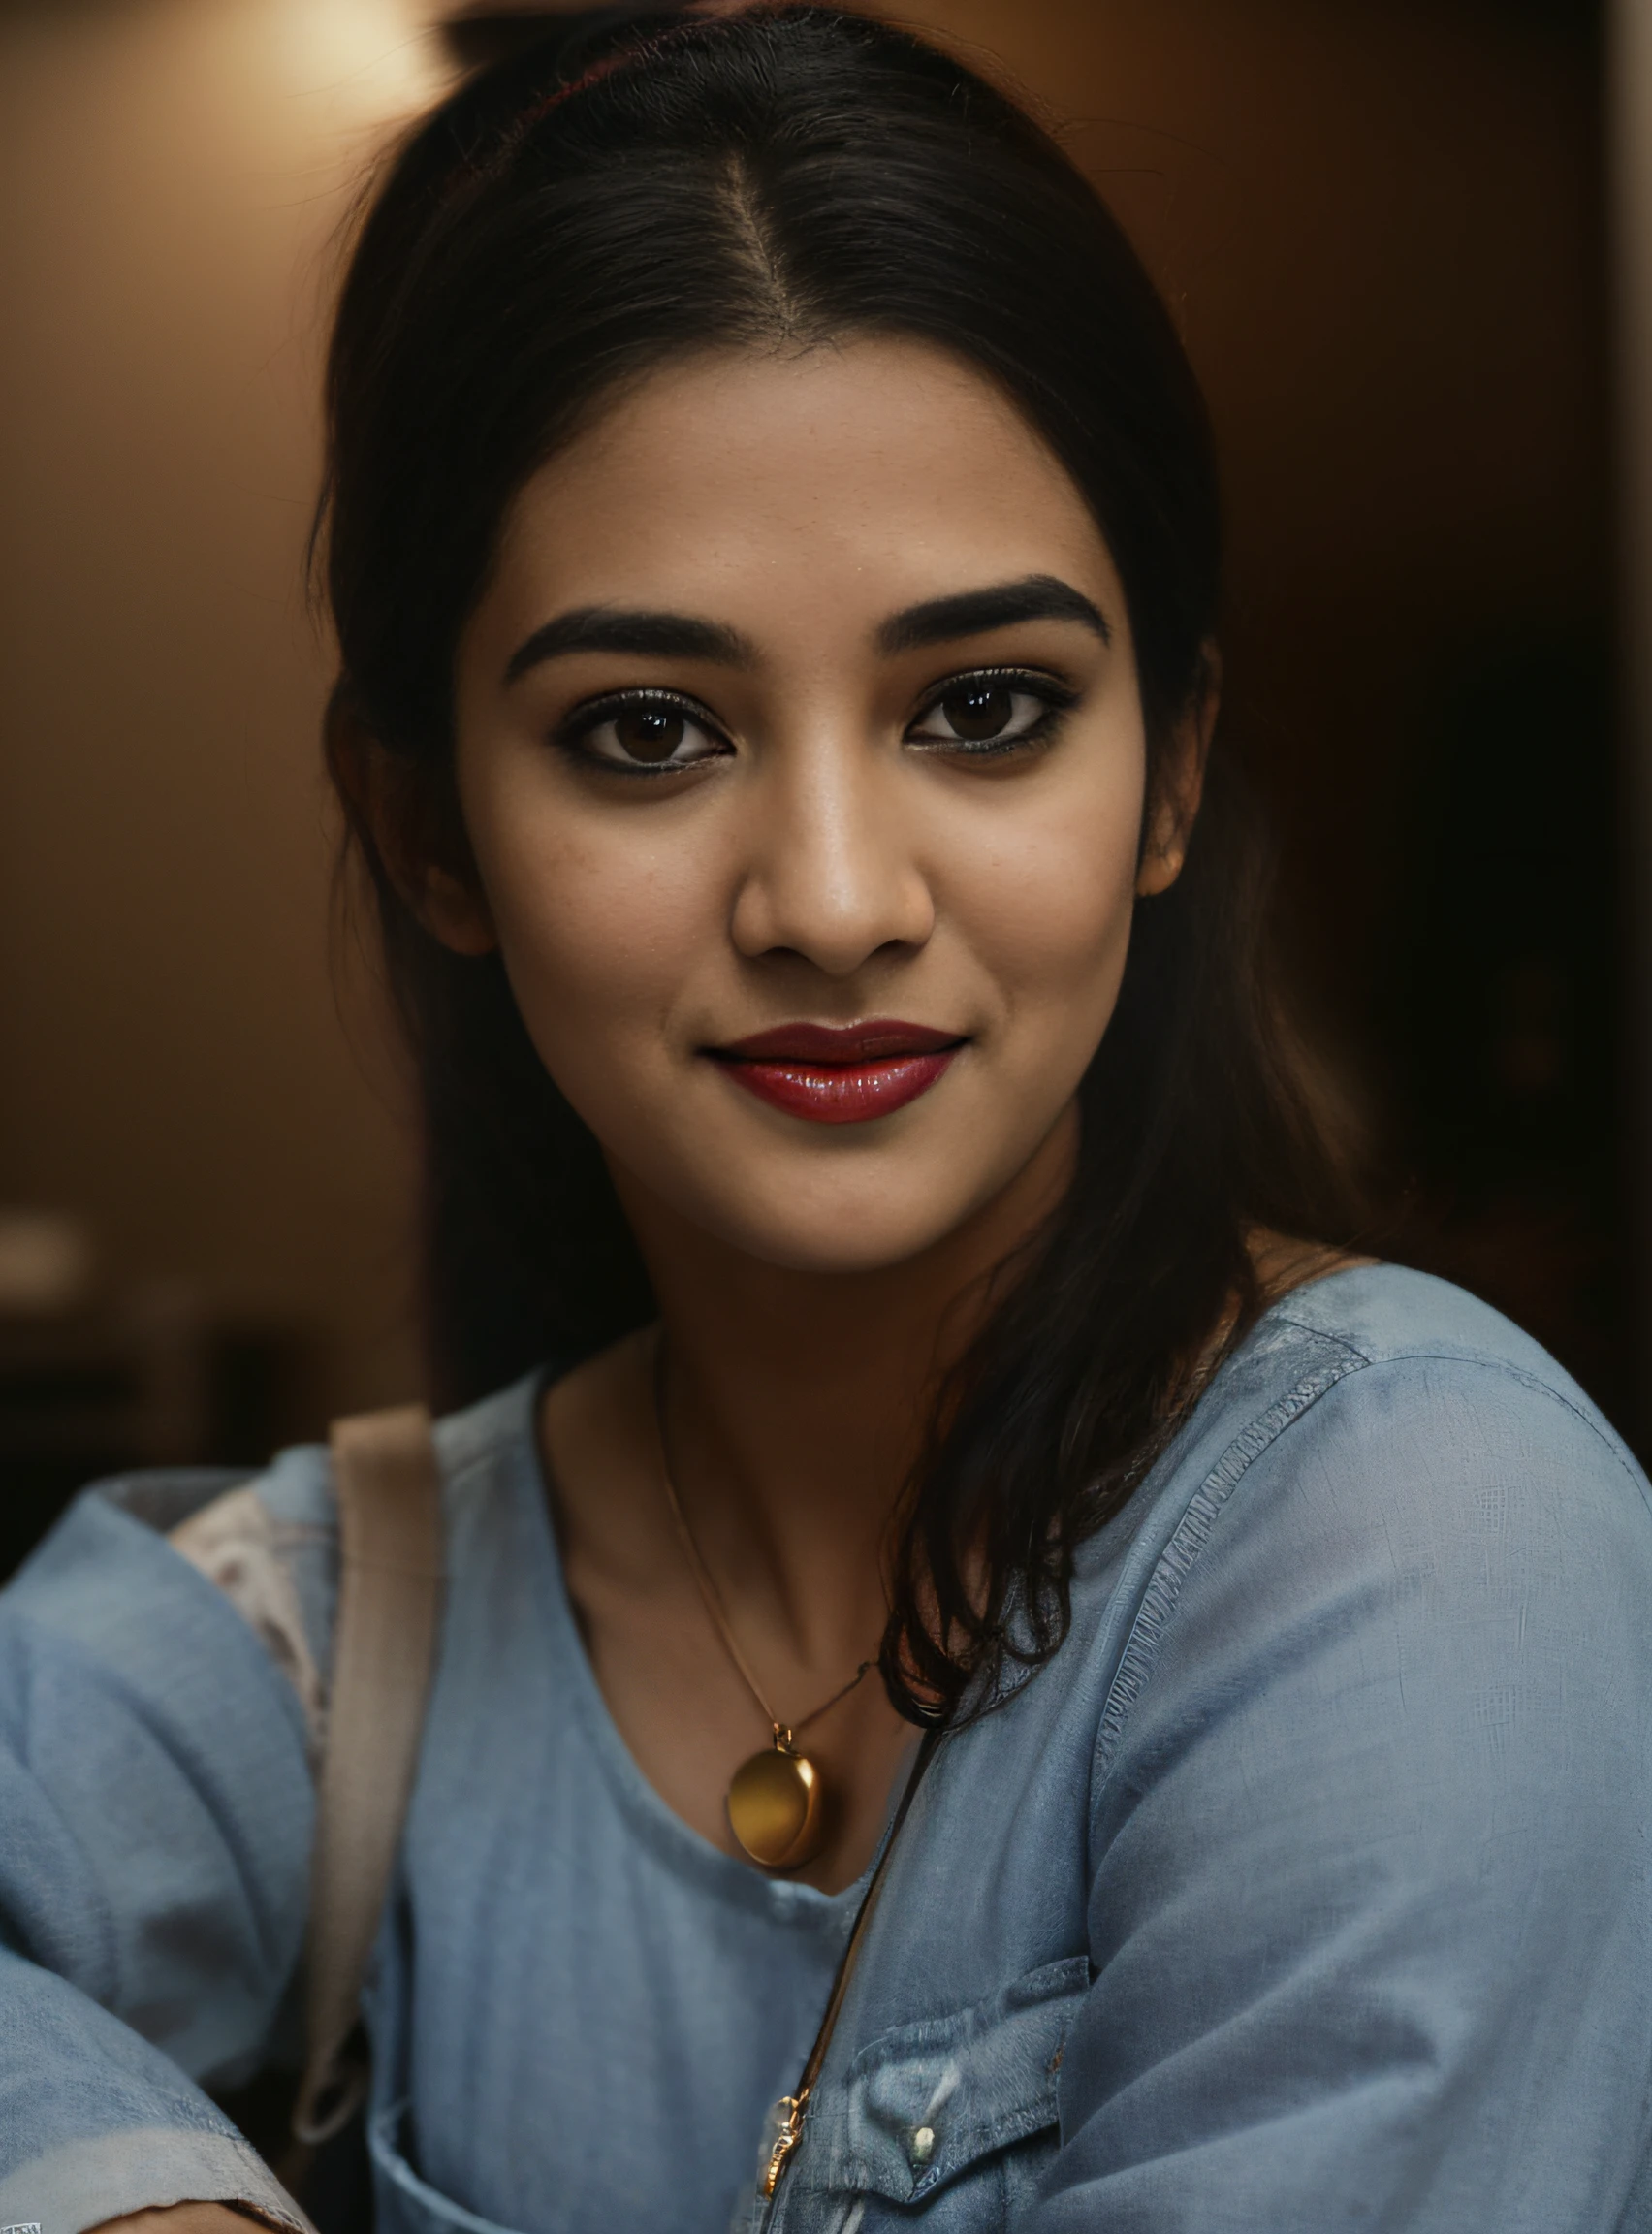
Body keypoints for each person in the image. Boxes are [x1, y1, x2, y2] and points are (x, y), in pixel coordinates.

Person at [3, 7, 1649, 2231]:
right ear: (425, 831)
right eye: (650, 731)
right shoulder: (333, 1618)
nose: (838, 904)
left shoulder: (1424, 1537)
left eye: (986, 708)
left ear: (1168, 774)